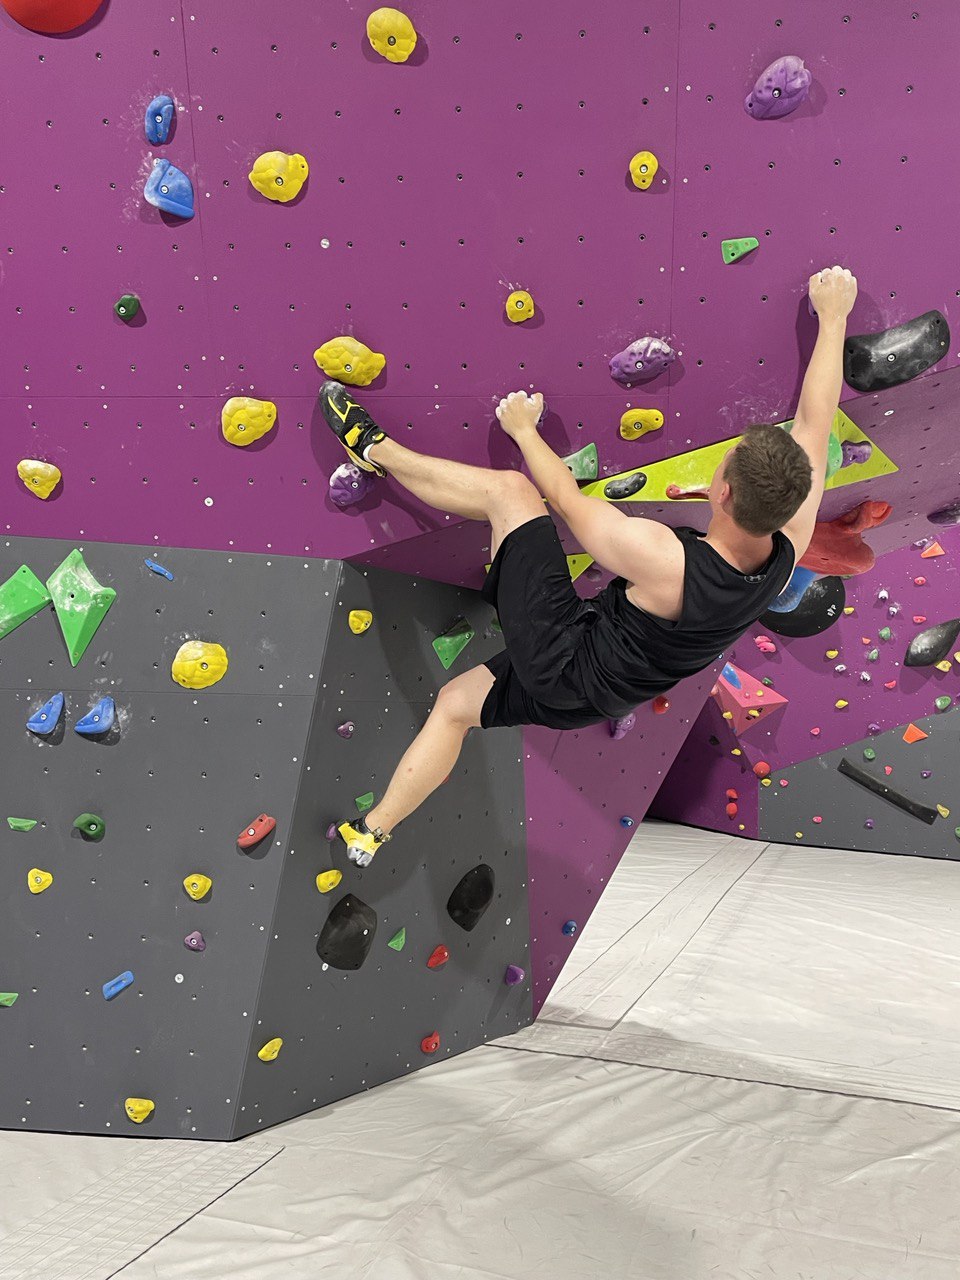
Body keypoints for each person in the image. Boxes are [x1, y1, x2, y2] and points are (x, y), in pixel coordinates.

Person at [320, 265, 858, 866]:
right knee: (454, 706)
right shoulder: (789, 541)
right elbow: (816, 421)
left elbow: (568, 502)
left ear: (723, 493)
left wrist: (524, 431)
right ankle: (369, 833)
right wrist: (833, 317)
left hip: (564, 657)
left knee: (510, 497)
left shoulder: (665, 559)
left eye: (723, 465)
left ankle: (372, 449)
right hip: (598, 694)